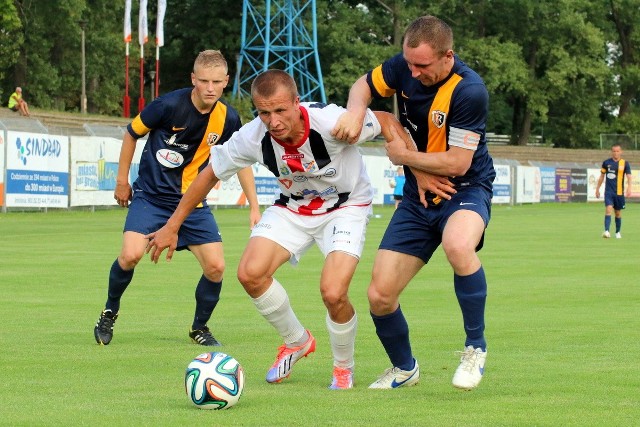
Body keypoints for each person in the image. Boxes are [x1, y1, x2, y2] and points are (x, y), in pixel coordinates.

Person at [146, 69, 396, 390]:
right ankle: (297, 342)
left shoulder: (331, 121)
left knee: (333, 292)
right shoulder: (253, 136)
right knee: (250, 273)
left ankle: (343, 368)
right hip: (292, 206)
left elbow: (387, 120)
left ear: (296, 102)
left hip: (345, 206)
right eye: (264, 112)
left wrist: (410, 161)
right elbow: (209, 174)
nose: (273, 121)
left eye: (280, 110)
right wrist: (173, 224)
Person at [332, 15, 495, 390]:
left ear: (447, 56)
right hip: (416, 198)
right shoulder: (404, 65)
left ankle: (475, 348)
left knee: (458, 245)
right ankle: (404, 369)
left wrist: (404, 157)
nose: (413, 72)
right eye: (409, 63)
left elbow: (457, 162)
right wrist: (357, 110)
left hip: (465, 189)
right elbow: (363, 85)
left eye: (422, 65)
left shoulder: (469, 90)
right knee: (379, 295)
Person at [93, 50, 260, 347]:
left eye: (217, 82)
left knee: (216, 267)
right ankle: (109, 311)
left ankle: (199, 328)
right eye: (204, 81)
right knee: (130, 255)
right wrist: (122, 181)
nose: (210, 88)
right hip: (151, 198)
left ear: (226, 83)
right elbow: (132, 133)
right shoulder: (166, 105)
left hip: (193, 204)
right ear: (193, 79)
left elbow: (241, 159)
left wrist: (254, 205)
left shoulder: (228, 118)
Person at [595, 144, 632, 239]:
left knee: (618, 213)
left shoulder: (625, 163)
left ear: (621, 152)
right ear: (611, 152)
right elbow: (602, 176)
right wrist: (597, 189)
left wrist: (629, 188)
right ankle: (606, 231)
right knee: (608, 209)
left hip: (619, 193)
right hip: (609, 192)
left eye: (617, 151)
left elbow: (629, 176)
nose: (615, 153)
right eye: (614, 151)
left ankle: (617, 232)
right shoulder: (606, 163)